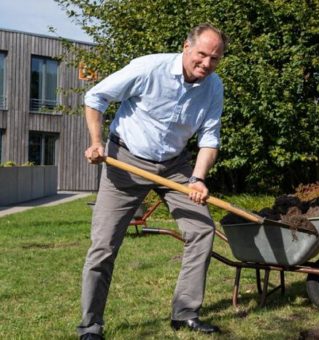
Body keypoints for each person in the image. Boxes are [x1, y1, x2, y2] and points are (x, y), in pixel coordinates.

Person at [77, 23, 227, 339]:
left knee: (201, 230)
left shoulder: (214, 87)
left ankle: (185, 313)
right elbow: (96, 96)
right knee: (103, 245)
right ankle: (91, 325)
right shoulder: (149, 68)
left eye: (214, 58)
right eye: (201, 54)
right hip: (125, 160)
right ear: (186, 47)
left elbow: (209, 137)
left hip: (174, 165)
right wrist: (95, 140)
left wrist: (198, 178)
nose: (206, 64)